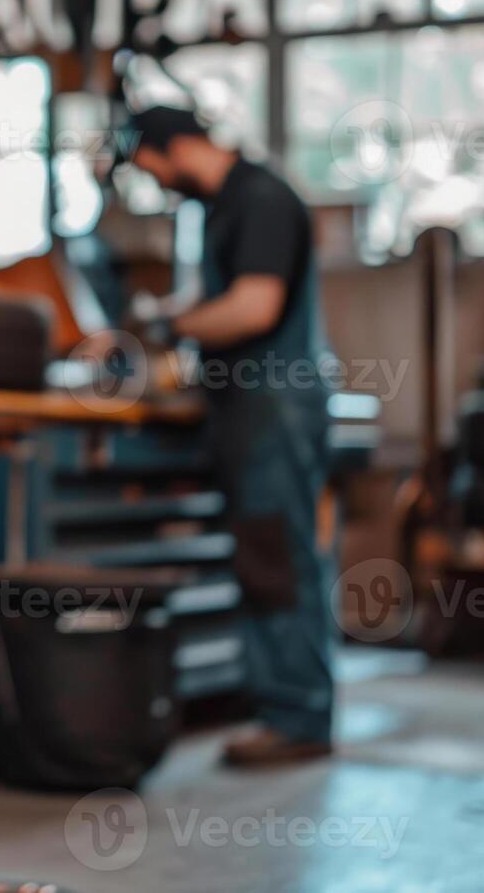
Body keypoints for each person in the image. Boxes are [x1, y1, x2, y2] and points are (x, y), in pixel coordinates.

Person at [127, 105, 336, 766]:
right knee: (262, 557)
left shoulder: (260, 199)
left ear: (177, 147)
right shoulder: (220, 208)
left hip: (274, 403)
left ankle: (297, 716)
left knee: (277, 558)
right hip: (249, 406)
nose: (160, 184)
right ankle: (280, 702)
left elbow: (253, 307)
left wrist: (171, 328)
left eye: (155, 168)